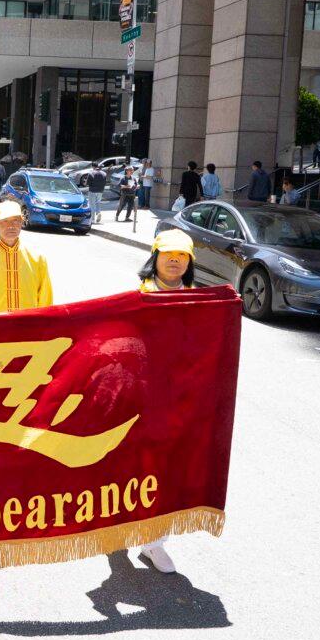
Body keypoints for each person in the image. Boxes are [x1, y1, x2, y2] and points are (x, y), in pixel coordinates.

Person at [132, 229, 196, 574]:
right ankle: (126, 528)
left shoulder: (203, 302)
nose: (175, 261)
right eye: (169, 254)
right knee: (137, 467)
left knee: (172, 470)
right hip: (142, 401)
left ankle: (154, 543)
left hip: (182, 401)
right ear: (154, 257)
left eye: (182, 256)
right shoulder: (136, 298)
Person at [0, 200, 53, 315]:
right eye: (4, 221)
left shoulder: (37, 258)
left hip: (28, 327)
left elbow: (45, 299)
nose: (10, 226)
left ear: (22, 221)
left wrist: (46, 326)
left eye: (15, 220)